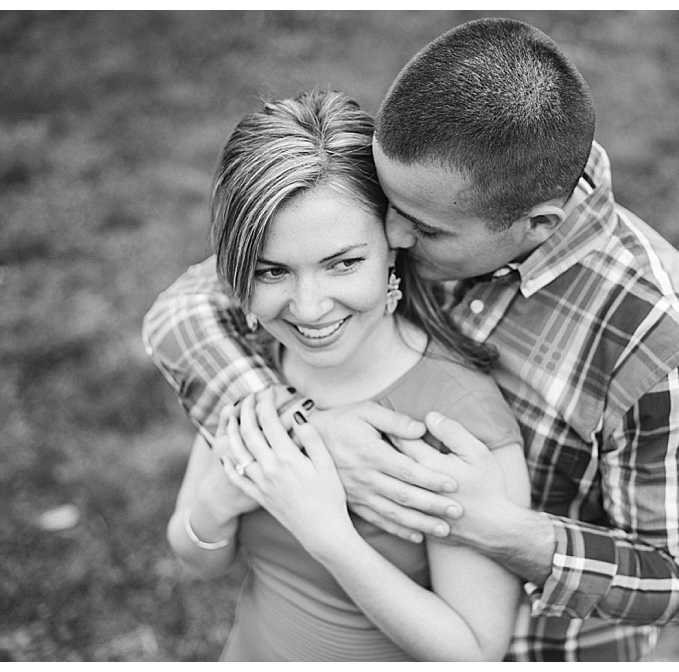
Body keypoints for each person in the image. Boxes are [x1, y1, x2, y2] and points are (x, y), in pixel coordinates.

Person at [144, 18, 679, 662]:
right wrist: (299, 433)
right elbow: (188, 310)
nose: (392, 237)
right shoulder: (416, 202)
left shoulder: (670, 340)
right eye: (385, 210)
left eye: (422, 229)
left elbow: (678, 579)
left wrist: (499, 529)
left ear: (535, 226)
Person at [162, 89, 531, 661]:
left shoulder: (454, 416)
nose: (308, 309)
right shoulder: (256, 362)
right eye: (272, 271)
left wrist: (328, 535)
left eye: (342, 263)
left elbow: (473, 652)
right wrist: (223, 493)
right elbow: (195, 551)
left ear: (392, 245)